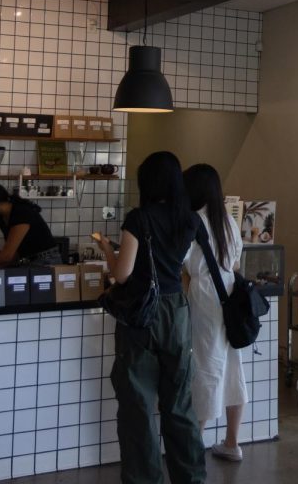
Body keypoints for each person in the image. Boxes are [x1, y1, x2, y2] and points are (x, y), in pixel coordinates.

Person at [95, 151, 204, 484]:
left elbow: (123, 275)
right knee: (180, 404)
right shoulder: (190, 219)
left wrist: (105, 249)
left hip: (143, 315)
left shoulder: (138, 219)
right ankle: (191, 478)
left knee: (138, 406)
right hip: (178, 311)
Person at [182, 163, 247, 462]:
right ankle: (232, 442)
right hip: (230, 295)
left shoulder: (193, 221)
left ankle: (193, 448)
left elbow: (177, 262)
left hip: (206, 298)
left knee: (206, 367)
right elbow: (234, 263)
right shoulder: (228, 221)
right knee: (232, 368)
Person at [0, 180, 61, 268]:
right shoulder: (2, 220)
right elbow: (12, 255)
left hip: (47, 261)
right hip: (30, 262)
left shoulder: (20, 212)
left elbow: (7, 255)